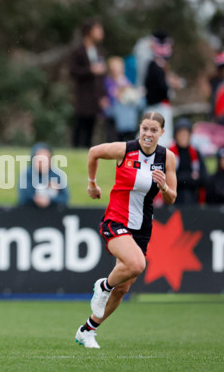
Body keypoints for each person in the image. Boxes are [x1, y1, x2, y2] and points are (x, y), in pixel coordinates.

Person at [75, 111, 177, 349]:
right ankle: (102, 286)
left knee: (123, 289)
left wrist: (164, 187)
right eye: (145, 128)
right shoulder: (125, 150)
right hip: (116, 219)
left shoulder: (167, 158)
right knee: (137, 264)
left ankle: (87, 330)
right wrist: (92, 184)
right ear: (139, 129)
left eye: (154, 130)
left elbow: (172, 198)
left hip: (142, 226)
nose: (148, 134)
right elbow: (94, 153)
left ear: (162, 133)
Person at [69, 18, 107, 148]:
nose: (101, 32)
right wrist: (90, 70)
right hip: (83, 95)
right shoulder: (78, 51)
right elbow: (73, 71)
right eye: (98, 29)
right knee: (80, 123)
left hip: (95, 96)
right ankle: (75, 149)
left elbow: (102, 76)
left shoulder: (99, 50)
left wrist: (103, 95)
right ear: (89, 31)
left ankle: (88, 152)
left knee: (92, 124)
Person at [144, 31, 184, 147]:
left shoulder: (158, 67)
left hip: (160, 105)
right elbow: (159, 88)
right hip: (157, 106)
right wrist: (168, 86)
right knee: (157, 135)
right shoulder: (154, 66)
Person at [17, 142, 69, 209]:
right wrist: (37, 199)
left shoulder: (57, 174)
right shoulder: (26, 174)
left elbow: (65, 198)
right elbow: (24, 198)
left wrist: (49, 201)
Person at [104, 56, 144, 141]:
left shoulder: (125, 80)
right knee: (113, 138)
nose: (116, 70)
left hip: (127, 116)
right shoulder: (108, 81)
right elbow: (111, 95)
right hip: (113, 114)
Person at [169, 118, 207, 206]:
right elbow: (168, 179)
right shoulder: (169, 153)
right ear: (175, 135)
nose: (183, 137)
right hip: (173, 201)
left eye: (186, 134)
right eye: (180, 134)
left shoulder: (196, 153)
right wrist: (190, 177)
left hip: (192, 200)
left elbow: (203, 178)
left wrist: (180, 178)